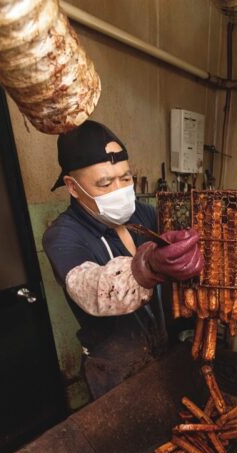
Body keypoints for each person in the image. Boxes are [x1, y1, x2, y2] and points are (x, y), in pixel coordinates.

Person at [43, 121, 202, 399]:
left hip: (162, 351)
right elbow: (90, 287)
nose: (119, 189)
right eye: (105, 183)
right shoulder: (63, 236)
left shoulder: (143, 214)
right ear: (73, 186)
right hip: (115, 368)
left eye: (126, 178)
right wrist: (148, 266)